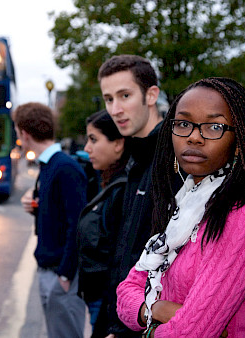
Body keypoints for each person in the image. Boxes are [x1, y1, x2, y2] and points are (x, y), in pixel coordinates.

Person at [116, 77, 245, 337]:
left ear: (238, 143)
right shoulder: (185, 207)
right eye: (184, 124)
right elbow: (125, 292)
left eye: (214, 127)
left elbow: (190, 332)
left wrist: (151, 327)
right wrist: (153, 310)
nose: (194, 137)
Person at [97, 54, 168, 337]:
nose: (115, 109)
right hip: (121, 316)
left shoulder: (172, 159)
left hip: (145, 323)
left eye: (124, 95)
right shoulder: (135, 157)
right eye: (108, 99)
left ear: (151, 95)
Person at [15, 102, 87, 338]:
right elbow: (58, 213)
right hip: (51, 270)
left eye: (17, 133)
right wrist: (36, 206)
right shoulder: (51, 165)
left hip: (60, 273)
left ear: (24, 133)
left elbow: (77, 224)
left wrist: (65, 276)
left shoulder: (64, 167)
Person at [77, 110, 129, 337]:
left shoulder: (123, 190)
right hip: (96, 296)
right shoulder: (101, 180)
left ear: (118, 144)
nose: (87, 148)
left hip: (107, 301)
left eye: (94, 139)